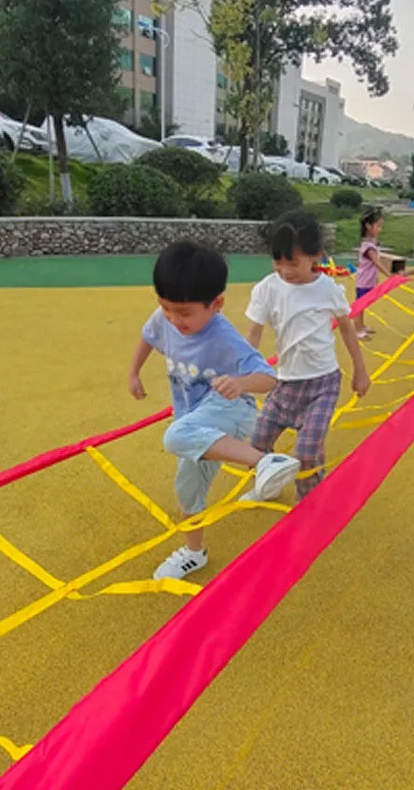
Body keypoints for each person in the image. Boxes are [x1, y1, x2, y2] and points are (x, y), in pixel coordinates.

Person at [128, 241, 301, 581]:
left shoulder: (223, 335)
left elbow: (268, 377)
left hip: (231, 409)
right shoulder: (164, 320)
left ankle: (265, 461)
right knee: (187, 489)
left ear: (217, 304)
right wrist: (134, 373)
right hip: (197, 421)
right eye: (166, 308)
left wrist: (240, 384)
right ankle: (195, 553)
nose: (175, 320)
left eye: (185, 313)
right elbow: (148, 336)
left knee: (175, 436)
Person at [243, 210, 372, 502]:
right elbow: (253, 334)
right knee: (256, 445)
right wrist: (242, 374)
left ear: (314, 255)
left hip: (321, 384)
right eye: (278, 261)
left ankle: (309, 501)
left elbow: (348, 331)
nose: (285, 270)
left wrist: (360, 371)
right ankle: (269, 483)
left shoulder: (327, 289)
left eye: (293, 263)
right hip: (284, 385)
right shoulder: (267, 288)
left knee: (307, 452)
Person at [354, 207, 393, 339]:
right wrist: (389, 275)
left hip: (368, 279)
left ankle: (361, 325)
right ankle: (357, 329)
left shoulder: (371, 243)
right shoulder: (368, 247)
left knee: (363, 304)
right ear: (368, 226)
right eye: (378, 226)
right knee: (360, 305)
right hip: (364, 281)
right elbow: (376, 261)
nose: (380, 229)